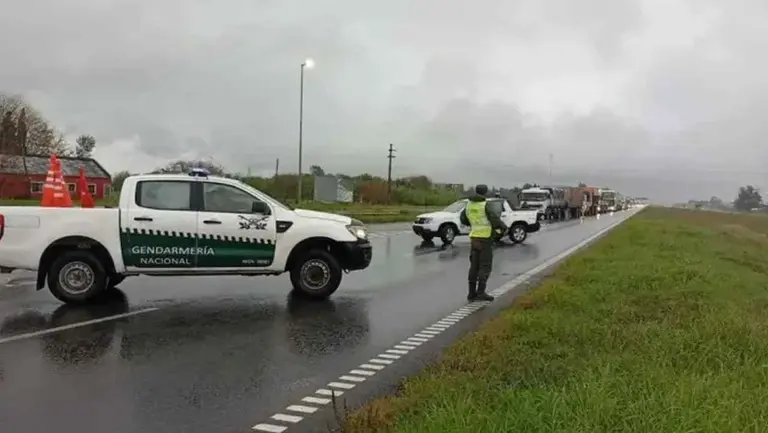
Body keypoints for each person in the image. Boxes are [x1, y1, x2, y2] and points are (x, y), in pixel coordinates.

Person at [460, 184, 507, 302]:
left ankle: (471, 293)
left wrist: (473, 224)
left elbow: (463, 219)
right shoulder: (485, 205)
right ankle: (481, 292)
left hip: (474, 238)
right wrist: (502, 228)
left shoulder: (468, 204)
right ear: (485, 192)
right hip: (485, 238)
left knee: (474, 266)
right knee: (485, 266)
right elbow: (494, 219)